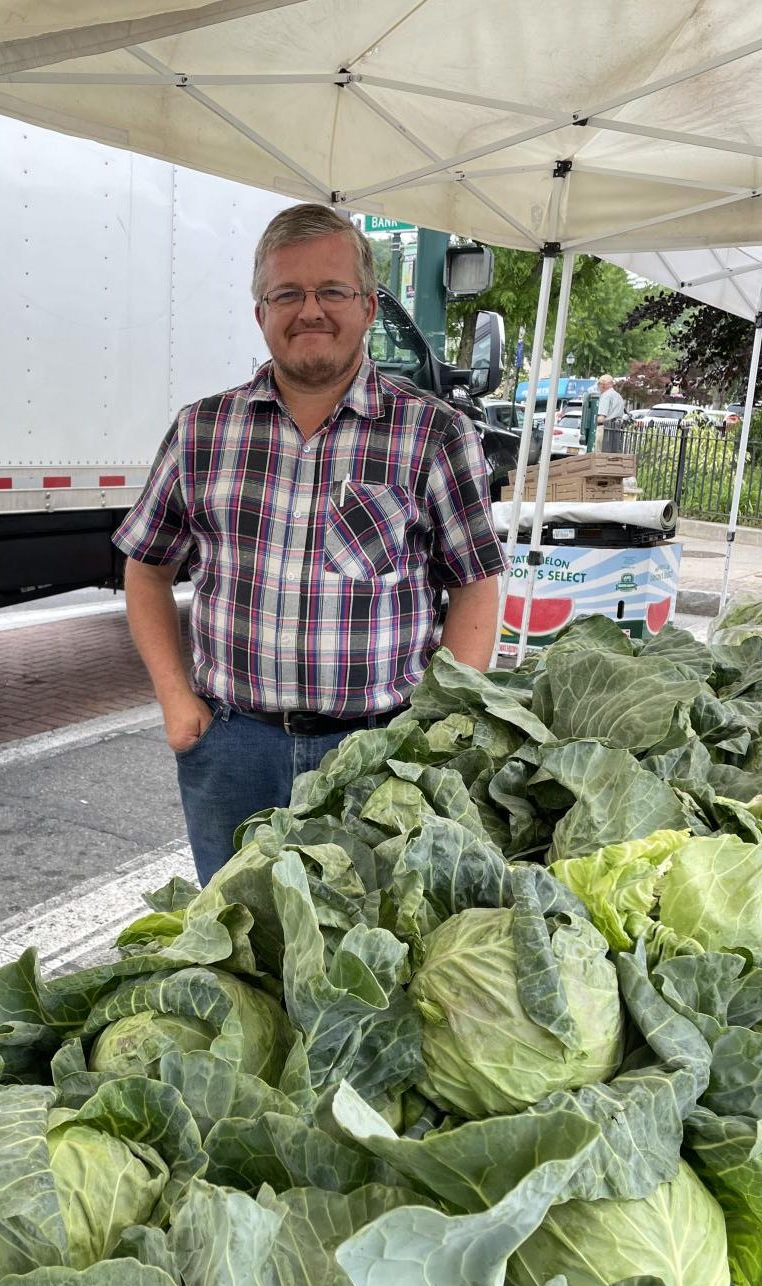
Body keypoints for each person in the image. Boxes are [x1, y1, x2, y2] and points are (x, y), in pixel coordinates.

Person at [114, 203, 506, 885]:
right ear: (260, 310)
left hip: (376, 751)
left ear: (369, 304)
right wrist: (179, 705)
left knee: (365, 962)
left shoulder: (434, 434)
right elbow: (146, 566)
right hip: (232, 748)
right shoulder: (203, 431)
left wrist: (437, 733)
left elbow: (475, 582)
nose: (310, 310)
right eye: (287, 293)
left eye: (332, 291)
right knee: (239, 953)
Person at [596, 373, 626, 452]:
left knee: (600, 455)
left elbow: (601, 418)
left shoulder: (606, 396)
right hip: (616, 428)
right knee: (612, 455)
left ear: (603, 385)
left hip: (605, 428)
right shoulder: (618, 396)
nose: (599, 387)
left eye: (599, 384)